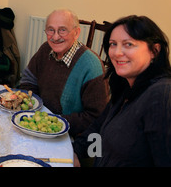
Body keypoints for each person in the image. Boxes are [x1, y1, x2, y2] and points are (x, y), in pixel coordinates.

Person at [73, 15, 171, 166]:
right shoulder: (125, 88)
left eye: (128, 44)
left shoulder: (162, 94)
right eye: (113, 44)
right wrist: (75, 152)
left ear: (155, 51)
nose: (117, 52)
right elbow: (99, 130)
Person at [18, 9, 109, 137]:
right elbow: (28, 79)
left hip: (71, 135)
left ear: (76, 33)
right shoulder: (46, 49)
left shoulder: (91, 65)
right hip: (37, 124)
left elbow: (96, 117)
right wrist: (31, 105)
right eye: (50, 30)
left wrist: (52, 121)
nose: (55, 37)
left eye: (62, 30)